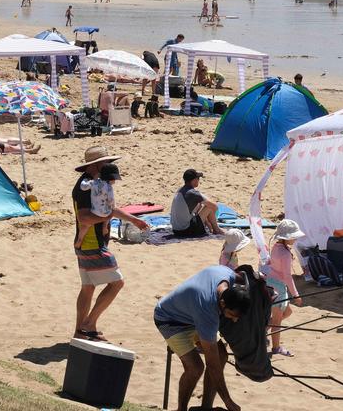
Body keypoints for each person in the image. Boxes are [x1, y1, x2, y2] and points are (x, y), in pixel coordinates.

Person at [72, 147, 148, 341]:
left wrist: (134, 220)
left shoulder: (97, 184)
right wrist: (106, 217)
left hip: (87, 243)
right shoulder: (84, 187)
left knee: (88, 287)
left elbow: (110, 209)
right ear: (95, 165)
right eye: (106, 163)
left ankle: (80, 331)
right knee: (117, 283)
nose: (109, 166)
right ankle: (89, 324)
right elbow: (84, 217)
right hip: (91, 243)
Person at [153, 265, 249, 411]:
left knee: (222, 354)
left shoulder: (226, 275)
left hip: (191, 315)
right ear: (222, 303)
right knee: (195, 368)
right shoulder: (208, 311)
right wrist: (228, 401)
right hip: (169, 320)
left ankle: (206, 407)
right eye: (232, 315)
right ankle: (181, 409)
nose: (234, 320)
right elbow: (212, 364)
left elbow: (241, 276)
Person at [261, 219, 304, 357]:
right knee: (277, 321)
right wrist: (295, 294)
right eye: (293, 237)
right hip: (278, 287)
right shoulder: (285, 253)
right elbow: (287, 276)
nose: (295, 239)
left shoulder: (276, 247)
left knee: (287, 312)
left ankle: (264, 329)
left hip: (272, 282)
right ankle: (276, 347)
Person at [171, 169, 224, 237]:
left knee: (200, 205)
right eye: (198, 178)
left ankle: (211, 228)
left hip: (176, 230)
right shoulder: (192, 193)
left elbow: (197, 209)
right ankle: (217, 230)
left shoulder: (180, 190)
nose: (199, 180)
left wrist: (208, 223)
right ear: (194, 180)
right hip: (186, 231)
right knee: (209, 207)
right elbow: (214, 206)